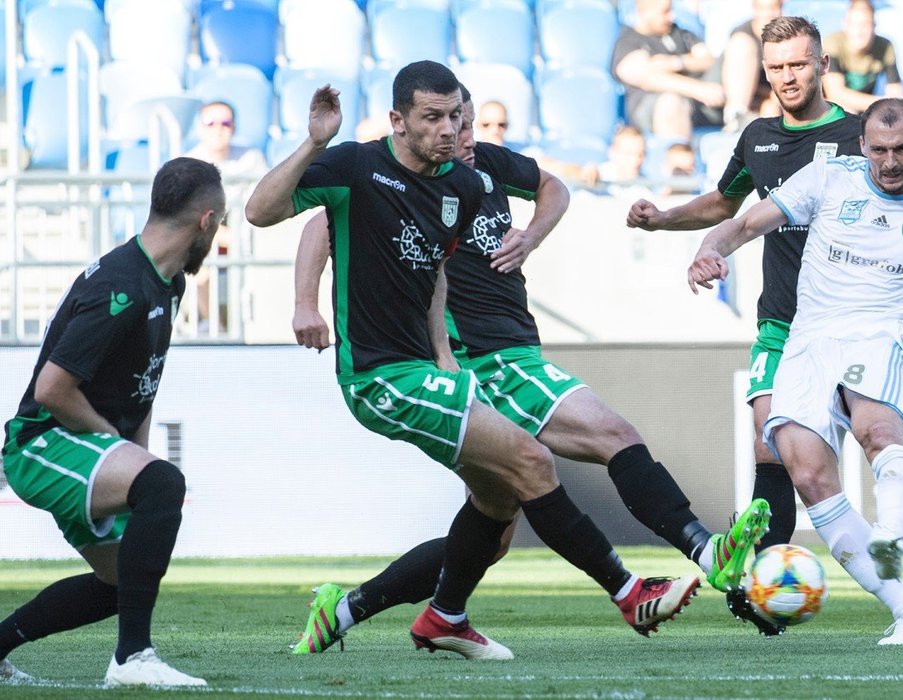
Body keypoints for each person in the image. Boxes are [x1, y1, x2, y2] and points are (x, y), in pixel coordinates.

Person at [244, 61, 749, 661]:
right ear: (399, 122)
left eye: (458, 117)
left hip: (434, 368)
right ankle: (631, 588)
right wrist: (314, 146)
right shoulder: (356, 164)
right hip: (380, 374)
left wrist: (441, 356)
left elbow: (434, 274)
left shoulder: (461, 183)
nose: (453, 130)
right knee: (535, 460)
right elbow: (262, 213)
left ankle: (405, 613)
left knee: (498, 510)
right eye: (435, 118)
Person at [627, 16, 903, 634]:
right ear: (763, 71)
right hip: (785, 324)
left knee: (883, 436)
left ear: (823, 65)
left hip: (867, 322)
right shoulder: (760, 137)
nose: (787, 77)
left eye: (799, 64)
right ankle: (766, 586)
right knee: (777, 454)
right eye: (776, 67)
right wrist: (666, 221)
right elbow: (727, 208)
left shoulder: (865, 137)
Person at [685, 97, 903, 645]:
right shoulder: (828, 178)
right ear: (862, 146)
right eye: (879, 149)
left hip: (879, 334)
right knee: (811, 479)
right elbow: (742, 224)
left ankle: (887, 534)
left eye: (902, 149)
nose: (890, 162)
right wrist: (707, 248)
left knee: (877, 432)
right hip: (808, 339)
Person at [0, 157, 225, 686]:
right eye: (221, 223)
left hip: (82, 446)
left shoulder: (167, 283)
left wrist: (132, 452)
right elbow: (51, 390)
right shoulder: (122, 285)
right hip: (41, 444)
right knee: (165, 484)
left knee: (120, 585)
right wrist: (113, 440)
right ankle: (132, 660)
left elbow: (143, 381)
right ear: (206, 221)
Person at [183, 101, 267, 334]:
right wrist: (223, 236)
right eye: (211, 123)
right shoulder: (189, 163)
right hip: (204, 233)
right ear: (200, 128)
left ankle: (256, 326)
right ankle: (212, 325)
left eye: (225, 123)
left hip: (245, 230)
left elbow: (263, 203)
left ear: (234, 127)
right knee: (201, 256)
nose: (218, 129)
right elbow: (188, 215)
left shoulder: (251, 159)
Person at [611, 0, 724, 142]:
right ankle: (678, 159)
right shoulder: (629, 41)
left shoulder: (680, 33)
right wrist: (697, 89)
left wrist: (675, 62)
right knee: (671, 101)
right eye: (664, 12)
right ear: (644, 11)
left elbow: (707, 59)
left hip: (699, 104)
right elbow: (643, 76)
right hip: (654, 108)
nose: (671, 16)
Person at [822, 0, 903, 115]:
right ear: (845, 24)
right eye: (854, 24)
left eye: (865, 25)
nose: (859, 31)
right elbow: (835, 94)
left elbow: (896, 92)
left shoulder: (885, 47)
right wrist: (883, 103)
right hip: (831, 109)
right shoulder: (833, 43)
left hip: (866, 110)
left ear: (874, 26)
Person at [720, 0, 783, 132]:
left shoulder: (785, 37)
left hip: (763, 100)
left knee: (770, 108)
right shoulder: (742, 36)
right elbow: (740, 77)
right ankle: (736, 117)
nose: (770, 14)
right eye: (765, 8)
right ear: (754, 9)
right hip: (723, 96)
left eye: (774, 8)